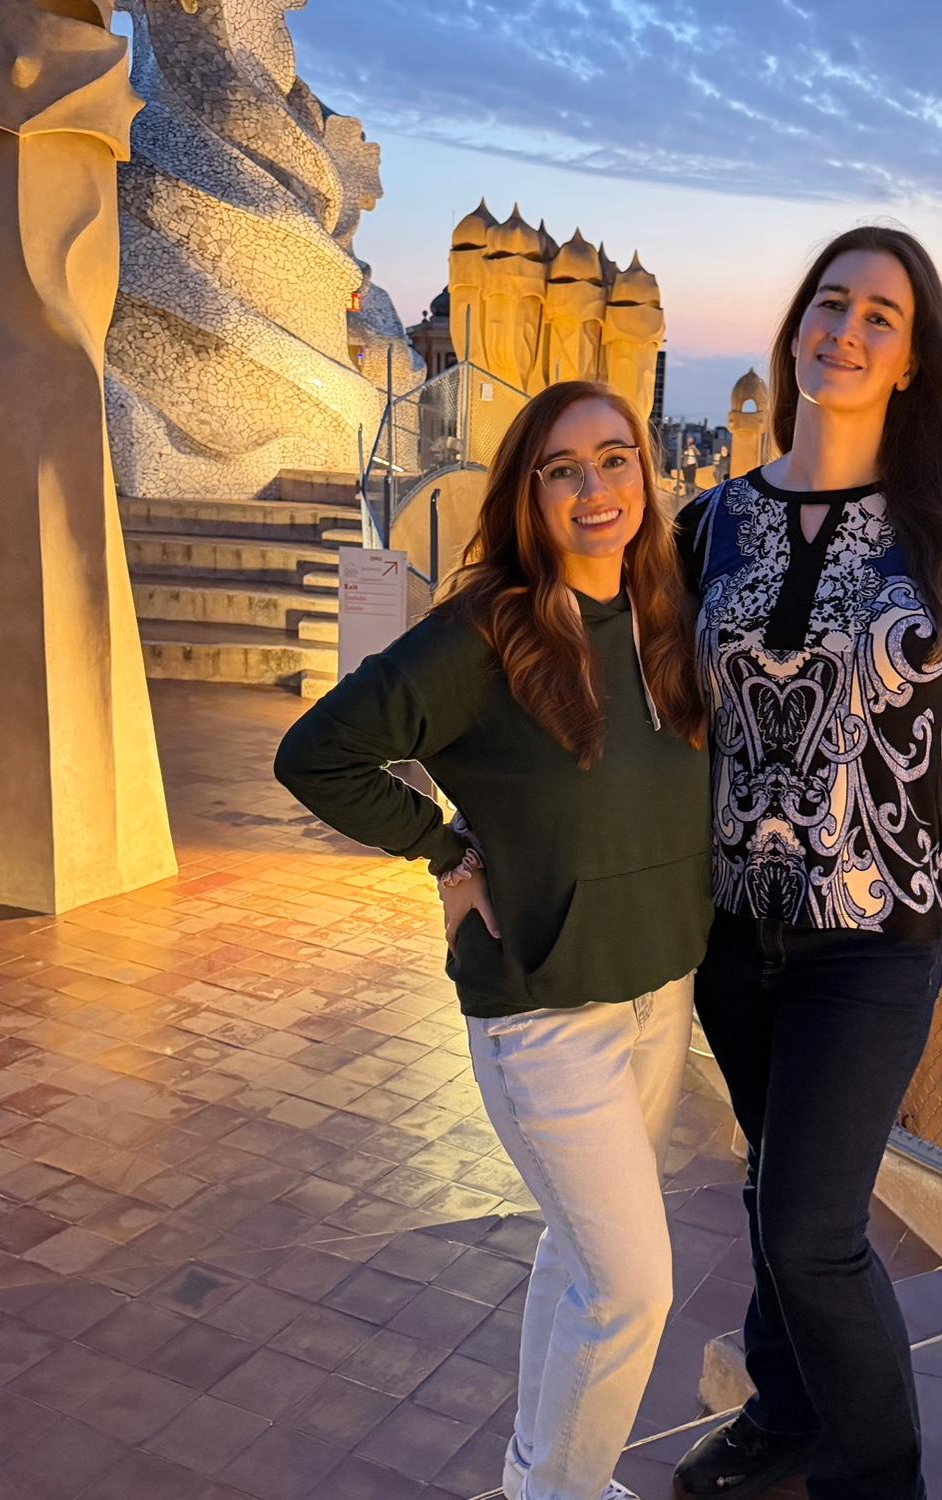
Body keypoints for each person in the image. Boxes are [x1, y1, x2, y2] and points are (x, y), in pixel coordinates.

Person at [671, 226, 942, 1500]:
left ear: (911, 362)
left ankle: (877, 1477)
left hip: (878, 937)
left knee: (813, 1231)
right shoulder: (708, 524)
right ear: (796, 328)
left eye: (881, 320)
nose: (846, 332)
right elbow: (662, 710)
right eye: (830, 305)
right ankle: (785, 1414)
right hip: (730, 935)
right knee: (764, 1194)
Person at [274, 381, 712, 1500]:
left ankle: (539, 1476)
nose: (594, 488)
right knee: (632, 1288)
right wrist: (442, 849)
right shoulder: (488, 631)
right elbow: (318, 752)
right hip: (543, 1017)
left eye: (615, 460)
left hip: (659, 994)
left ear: (646, 476)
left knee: (579, 1258)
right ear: (527, 494)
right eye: (561, 469)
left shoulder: (667, 615)